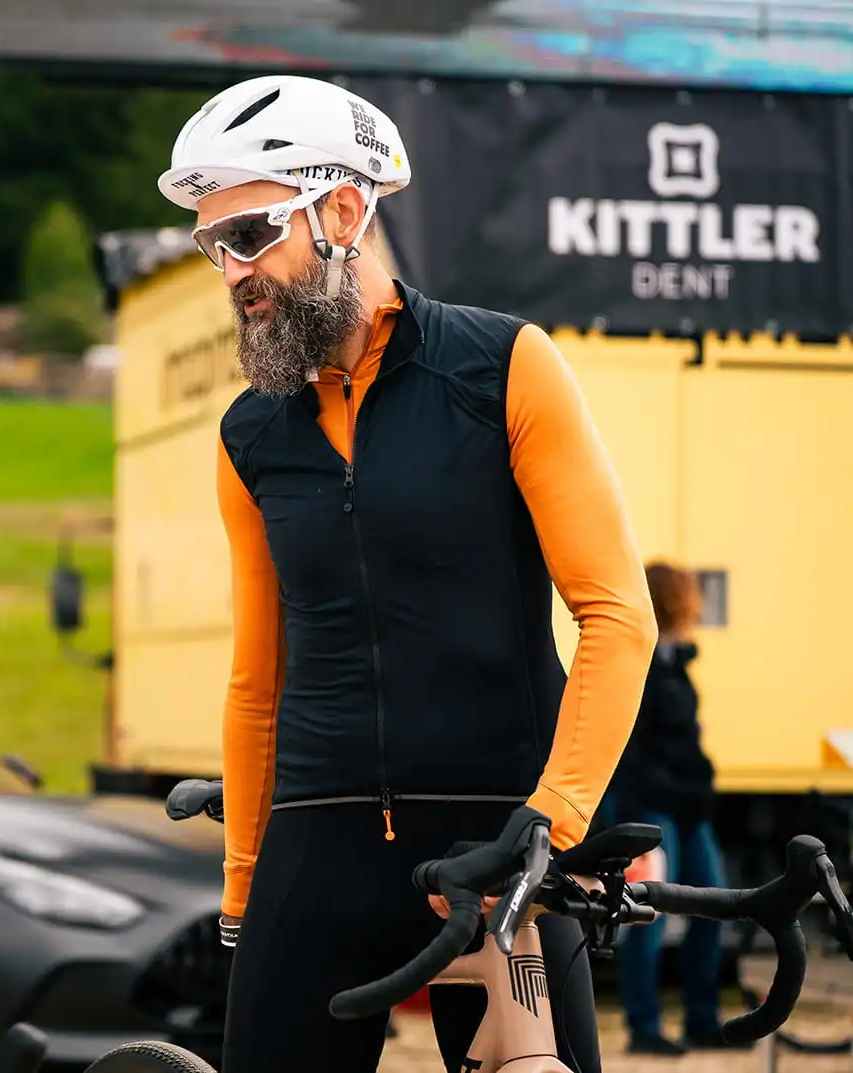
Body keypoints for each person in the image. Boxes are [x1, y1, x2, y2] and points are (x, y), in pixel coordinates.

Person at [158, 76, 658, 1072]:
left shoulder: (501, 367)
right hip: (315, 845)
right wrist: (243, 883)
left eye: (251, 233)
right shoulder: (248, 434)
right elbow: (258, 681)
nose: (233, 272)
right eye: (214, 245)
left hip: (496, 844)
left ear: (344, 212)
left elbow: (616, 616)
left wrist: (549, 823)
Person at [610, 563, 740, 1055]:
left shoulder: (675, 662)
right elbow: (632, 750)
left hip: (686, 810)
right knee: (649, 915)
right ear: (675, 601)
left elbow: (684, 742)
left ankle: (702, 1020)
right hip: (652, 811)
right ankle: (644, 1028)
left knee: (714, 907)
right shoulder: (640, 662)